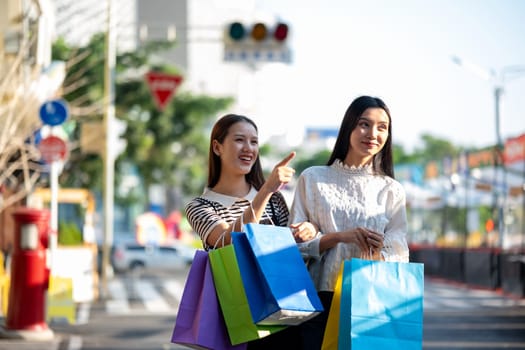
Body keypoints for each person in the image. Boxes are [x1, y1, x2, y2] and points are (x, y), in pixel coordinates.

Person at [185, 113, 316, 349]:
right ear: (217, 147)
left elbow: (293, 252)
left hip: (280, 312)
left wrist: (308, 231)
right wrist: (265, 190)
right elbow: (228, 240)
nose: (248, 148)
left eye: (254, 142)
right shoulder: (200, 206)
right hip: (235, 319)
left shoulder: (275, 200)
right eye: (239, 140)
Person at [288, 95, 410, 349]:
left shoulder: (391, 190)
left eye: (382, 127)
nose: (373, 133)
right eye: (364, 124)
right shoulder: (312, 179)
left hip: (371, 298)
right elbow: (291, 249)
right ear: (348, 127)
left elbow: (400, 253)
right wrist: (337, 237)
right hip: (316, 300)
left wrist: (379, 251)